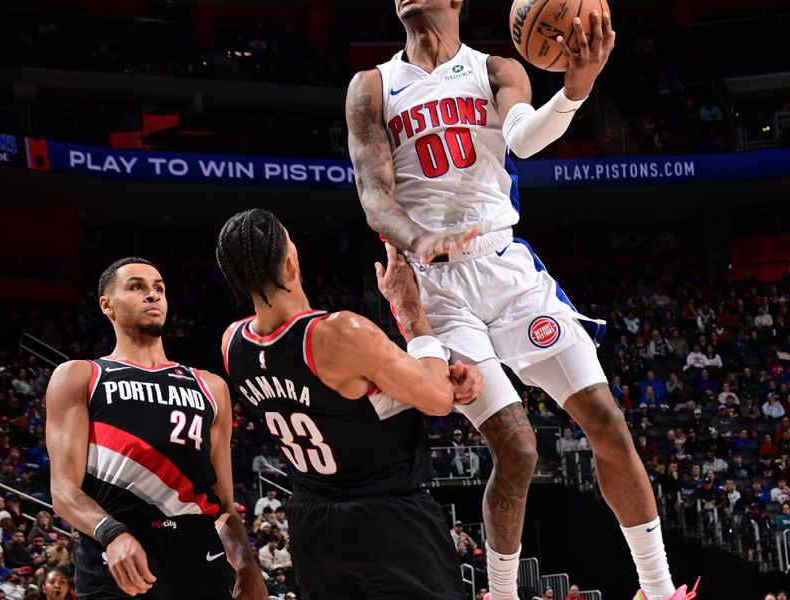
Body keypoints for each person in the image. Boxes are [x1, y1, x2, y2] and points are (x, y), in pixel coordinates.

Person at [345, 2, 695, 599]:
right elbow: (374, 197)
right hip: (438, 288)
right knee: (518, 447)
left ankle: (659, 591)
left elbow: (524, 140)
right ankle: (502, 593)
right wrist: (418, 237)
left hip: (507, 269)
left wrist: (575, 91)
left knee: (608, 422)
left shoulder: (498, 70)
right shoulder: (371, 87)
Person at [217, 209, 482, 600]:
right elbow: (439, 399)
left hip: (311, 523)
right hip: (385, 516)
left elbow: (341, 398)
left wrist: (425, 383)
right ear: (291, 263)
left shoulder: (231, 344)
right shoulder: (339, 333)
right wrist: (408, 310)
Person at [45, 257, 267, 600]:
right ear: (107, 305)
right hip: (117, 548)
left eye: (159, 288)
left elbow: (224, 504)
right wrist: (111, 533)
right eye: (137, 287)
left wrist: (248, 564)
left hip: (196, 550)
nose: (152, 295)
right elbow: (63, 491)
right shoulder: (81, 376)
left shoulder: (210, 386)